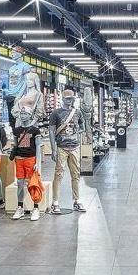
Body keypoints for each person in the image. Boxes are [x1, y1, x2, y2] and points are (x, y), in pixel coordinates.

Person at [47, 85, 93, 214]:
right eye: (67, 98)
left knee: (76, 174)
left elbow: (82, 127)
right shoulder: (56, 113)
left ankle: (77, 200)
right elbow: (51, 131)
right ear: (62, 99)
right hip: (61, 147)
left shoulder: (77, 112)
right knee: (58, 174)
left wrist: (78, 132)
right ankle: (55, 202)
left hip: (74, 146)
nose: (69, 100)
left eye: (71, 98)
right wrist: (53, 149)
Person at [11, 116, 44, 221]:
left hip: (30, 159)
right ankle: (20, 207)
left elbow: (38, 146)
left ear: (30, 115)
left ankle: (36, 208)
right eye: (21, 113)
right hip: (19, 159)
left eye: (25, 113)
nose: (23, 115)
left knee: (32, 183)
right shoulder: (16, 130)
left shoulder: (35, 130)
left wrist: (37, 162)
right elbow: (15, 144)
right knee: (20, 183)